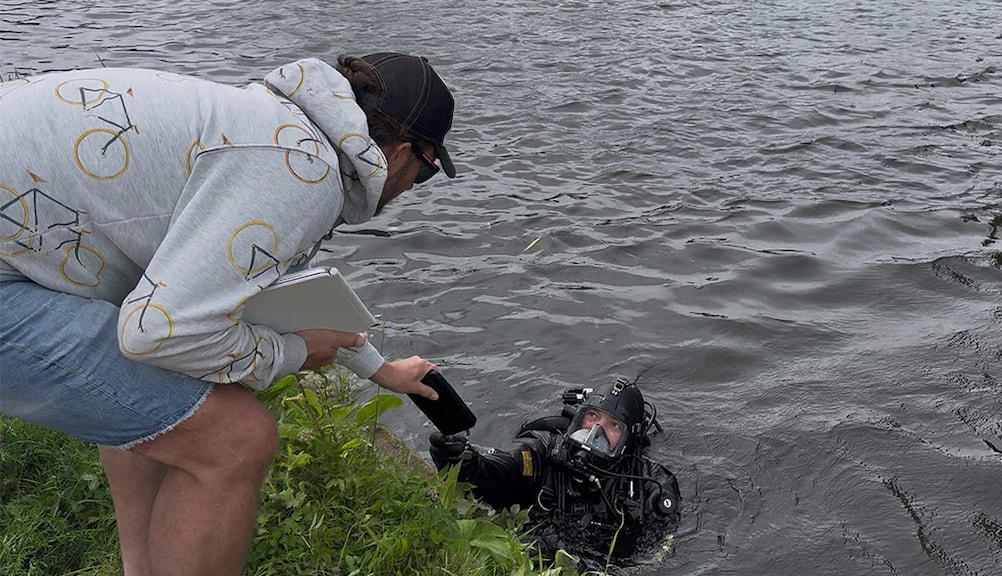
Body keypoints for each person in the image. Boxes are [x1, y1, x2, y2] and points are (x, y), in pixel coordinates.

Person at [0, 52, 456, 576]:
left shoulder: (279, 128)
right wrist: (293, 352)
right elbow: (156, 336)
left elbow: (262, 288)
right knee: (234, 437)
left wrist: (381, 370)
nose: (410, 190)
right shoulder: (302, 171)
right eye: (423, 175)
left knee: (164, 401)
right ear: (400, 152)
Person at [429, 378, 682, 571]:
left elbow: (660, 556)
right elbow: (503, 470)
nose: (595, 431)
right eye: (592, 416)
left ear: (629, 441)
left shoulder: (651, 486)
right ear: (579, 417)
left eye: (613, 426)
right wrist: (467, 463)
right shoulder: (544, 449)